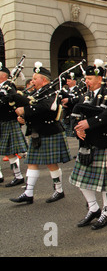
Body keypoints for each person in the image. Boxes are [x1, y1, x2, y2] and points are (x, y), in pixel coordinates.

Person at [69, 60, 107, 230]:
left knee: (106, 184)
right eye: (86, 78)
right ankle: (94, 208)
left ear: (99, 78)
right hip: (86, 143)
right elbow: (74, 115)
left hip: (104, 142)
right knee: (80, 181)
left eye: (89, 78)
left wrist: (89, 123)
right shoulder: (83, 95)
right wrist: (77, 129)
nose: (86, 81)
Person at [10, 62, 71, 204]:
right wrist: (25, 118)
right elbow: (35, 109)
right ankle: (28, 193)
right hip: (38, 132)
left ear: (44, 80)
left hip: (49, 131)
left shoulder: (50, 92)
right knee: (32, 162)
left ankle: (59, 190)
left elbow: (44, 108)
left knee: (51, 163)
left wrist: (25, 111)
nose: (32, 81)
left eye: (35, 78)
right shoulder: (37, 92)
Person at [0, 63, 28, 187]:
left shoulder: (9, 86)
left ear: (3, 75)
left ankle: (18, 176)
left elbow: (16, 99)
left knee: (10, 151)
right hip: (1, 121)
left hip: (7, 121)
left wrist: (6, 95)